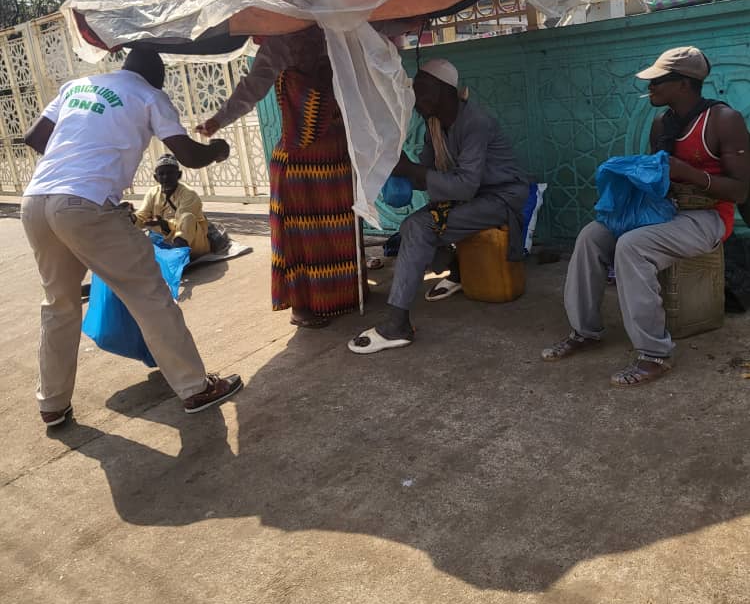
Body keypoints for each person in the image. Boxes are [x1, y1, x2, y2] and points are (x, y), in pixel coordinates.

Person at [21, 47, 243, 426]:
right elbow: (188, 156)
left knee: (58, 304)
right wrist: (217, 151)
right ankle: (195, 388)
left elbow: (35, 137)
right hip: (84, 204)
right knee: (149, 294)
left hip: (37, 201)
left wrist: (80, 154)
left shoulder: (77, 86)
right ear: (156, 74)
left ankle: (52, 403)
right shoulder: (149, 95)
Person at [542, 46, 750, 387]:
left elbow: (740, 191)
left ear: (683, 84)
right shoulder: (661, 125)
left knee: (632, 246)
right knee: (592, 235)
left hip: (708, 217)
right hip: (665, 211)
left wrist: (689, 173)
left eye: (657, 81)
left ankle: (655, 354)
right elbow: (659, 182)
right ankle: (585, 331)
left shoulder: (723, 120)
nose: (650, 87)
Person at [348, 59, 530, 354]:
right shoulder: (434, 125)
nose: (414, 97)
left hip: (500, 197)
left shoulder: (476, 123)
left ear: (445, 91)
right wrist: (397, 172)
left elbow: (464, 185)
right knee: (411, 227)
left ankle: (397, 325)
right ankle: (457, 272)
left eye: (421, 89)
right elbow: (429, 174)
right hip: (472, 198)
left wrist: (412, 171)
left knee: (420, 227)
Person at [196, 26, 360, 327]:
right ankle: (301, 306)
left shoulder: (336, 30)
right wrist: (218, 120)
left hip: (336, 161)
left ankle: (342, 296)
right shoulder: (279, 42)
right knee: (299, 238)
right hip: (297, 166)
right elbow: (252, 87)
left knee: (339, 233)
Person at [134, 153, 210, 258]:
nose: (166, 177)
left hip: (193, 243)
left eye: (170, 173)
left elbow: (182, 222)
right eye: (161, 174)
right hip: (164, 241)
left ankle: (177, 254)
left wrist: (164, 224)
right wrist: (132, 217)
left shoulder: (189, 194)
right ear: (156, 177)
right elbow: (142, 216)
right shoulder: (152, 192)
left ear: (179, 175)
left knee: (187, 217)